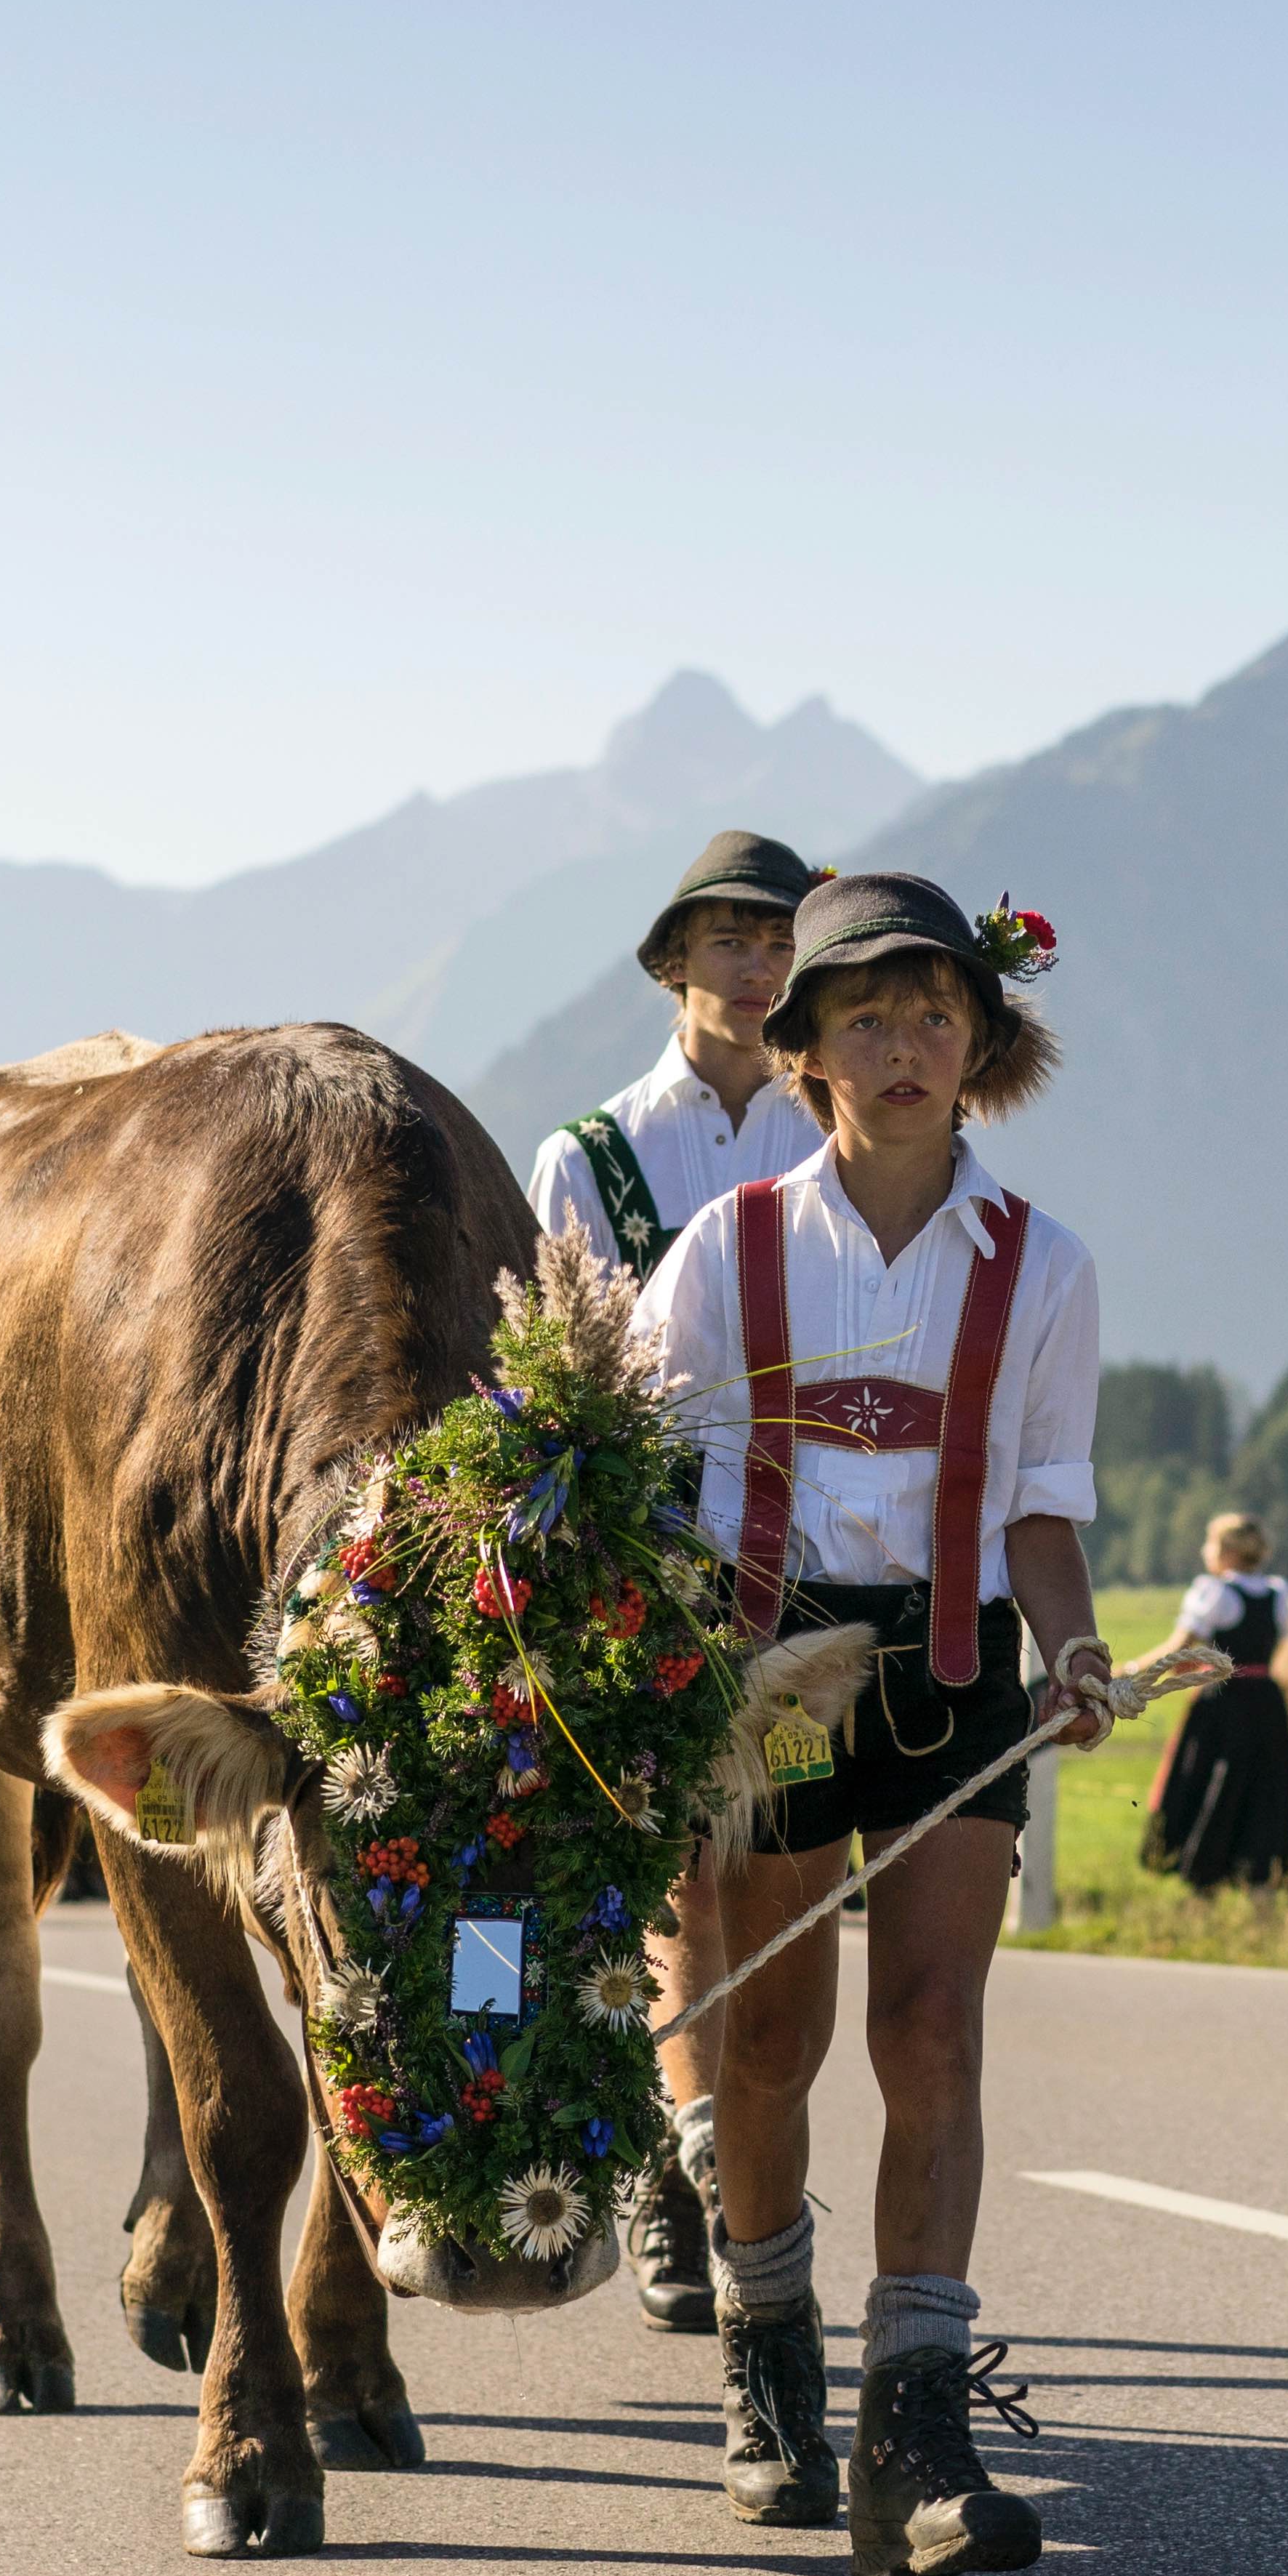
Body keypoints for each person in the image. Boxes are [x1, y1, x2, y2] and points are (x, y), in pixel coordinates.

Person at [632, 869, 1112, 2576]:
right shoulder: (724, 1251)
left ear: (979, 1041)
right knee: (765, 2041)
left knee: (933, 2033)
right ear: (808, 1054)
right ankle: (770, 2374)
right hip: (771, 1671)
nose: (903, 1047)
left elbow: (1043, 1505)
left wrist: (1068, 1653)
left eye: (933, 1015)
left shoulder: (1041, 1265)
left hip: (959, 1662)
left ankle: (915, 2431)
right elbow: (631, 1476)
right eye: (863, 1021)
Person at [528, 827, 832, 2337]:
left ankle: (745, 2166)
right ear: (673, 962)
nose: (757, 961)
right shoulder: (587, 1156)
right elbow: (564, 1391)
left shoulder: (835, 1133)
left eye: (780, 939)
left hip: (814, 1566)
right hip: (654, 1560)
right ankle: (673, 2162)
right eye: (729, 937)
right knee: (674, 1872)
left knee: (783, 1858)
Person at [1139, 1513, 1288, 1896]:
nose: (1204, 1551)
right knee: (1263, 1792)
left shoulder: (1215, 1593)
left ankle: (1204, 1881)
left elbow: (1178, 1649)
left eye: (1209, 1543)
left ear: (1227, 1551)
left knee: (1213, 1786)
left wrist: (1130, 1672)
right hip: (1266, 1705)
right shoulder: (1278, 1594)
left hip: (1224, 1705)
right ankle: (1260, 1881)